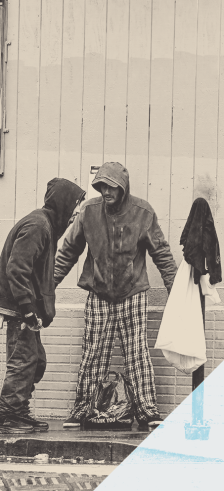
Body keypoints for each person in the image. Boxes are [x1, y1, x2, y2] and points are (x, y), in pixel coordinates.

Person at [54, 162, 177, 430]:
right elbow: (67, 253)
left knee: (137, 353)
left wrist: (175, 292)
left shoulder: (143, 212)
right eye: (102, 186)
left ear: (123, 188)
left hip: (132, 292)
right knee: (93, 353)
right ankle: (82, 409)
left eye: (112, 187)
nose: (106, 191)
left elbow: (162, 254)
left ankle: (147, 410)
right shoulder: (89, 212)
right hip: (98, 292)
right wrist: (48, 286)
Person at [0, 179, 85, 433]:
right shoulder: (38, 226)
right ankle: (6, 415)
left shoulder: (46, 226)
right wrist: (28, 310)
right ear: (62, 203)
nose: (76, 212)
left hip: (22, 306)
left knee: (35, 360)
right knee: (24, 360)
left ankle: (17, 410)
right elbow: (17, 269)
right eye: (75, 205)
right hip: (20, 308)